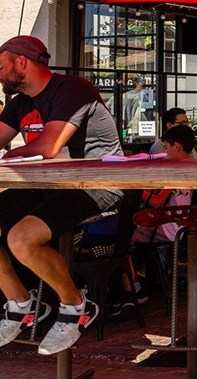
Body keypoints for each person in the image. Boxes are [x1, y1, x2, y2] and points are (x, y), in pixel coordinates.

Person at [0, 36, 123, 354]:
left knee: (21, 238)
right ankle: (21, 304)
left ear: (21, 63)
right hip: (50, 186)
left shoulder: (72, 89)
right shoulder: (21, 103)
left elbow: (47, 147)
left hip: (95, 185)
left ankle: (75, 307)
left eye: (1, 67)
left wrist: (8, 158)